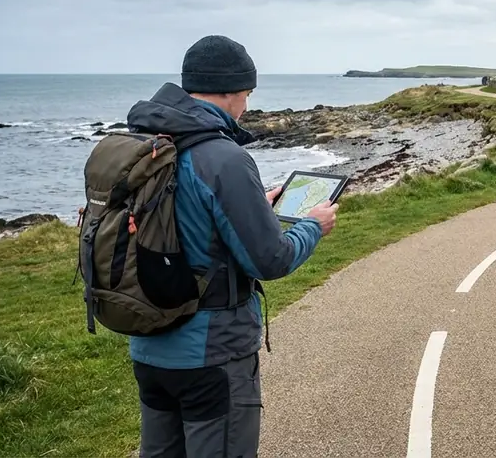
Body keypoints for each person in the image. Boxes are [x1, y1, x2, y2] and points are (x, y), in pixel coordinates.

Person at [125, 35, 338, 457]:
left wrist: (255, 207)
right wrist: (312, 226)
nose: (247, 104)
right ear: (229, 89)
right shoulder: (225, 158)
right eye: (247, 93)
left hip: (148, 344)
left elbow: (186, 222)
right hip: (211, 353)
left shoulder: (144, 144)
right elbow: (271, 259)